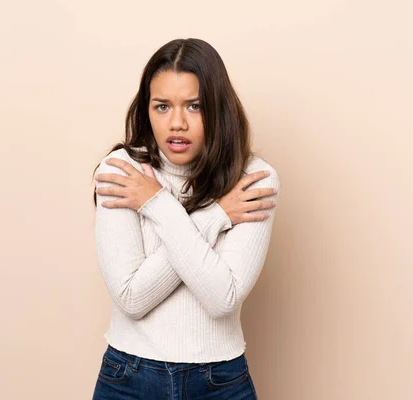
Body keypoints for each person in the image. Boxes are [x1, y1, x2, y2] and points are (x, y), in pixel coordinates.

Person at [91, 38, 279, 399]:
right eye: (162, 106)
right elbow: (131, 298)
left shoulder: (254, 179)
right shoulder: (122, 172)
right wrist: (217, 215)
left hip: (220, 382)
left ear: (218, 108)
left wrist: (155, 204)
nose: (176, 123)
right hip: (129, 378)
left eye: (194, 106)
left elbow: (222, 297)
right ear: (146, 109)